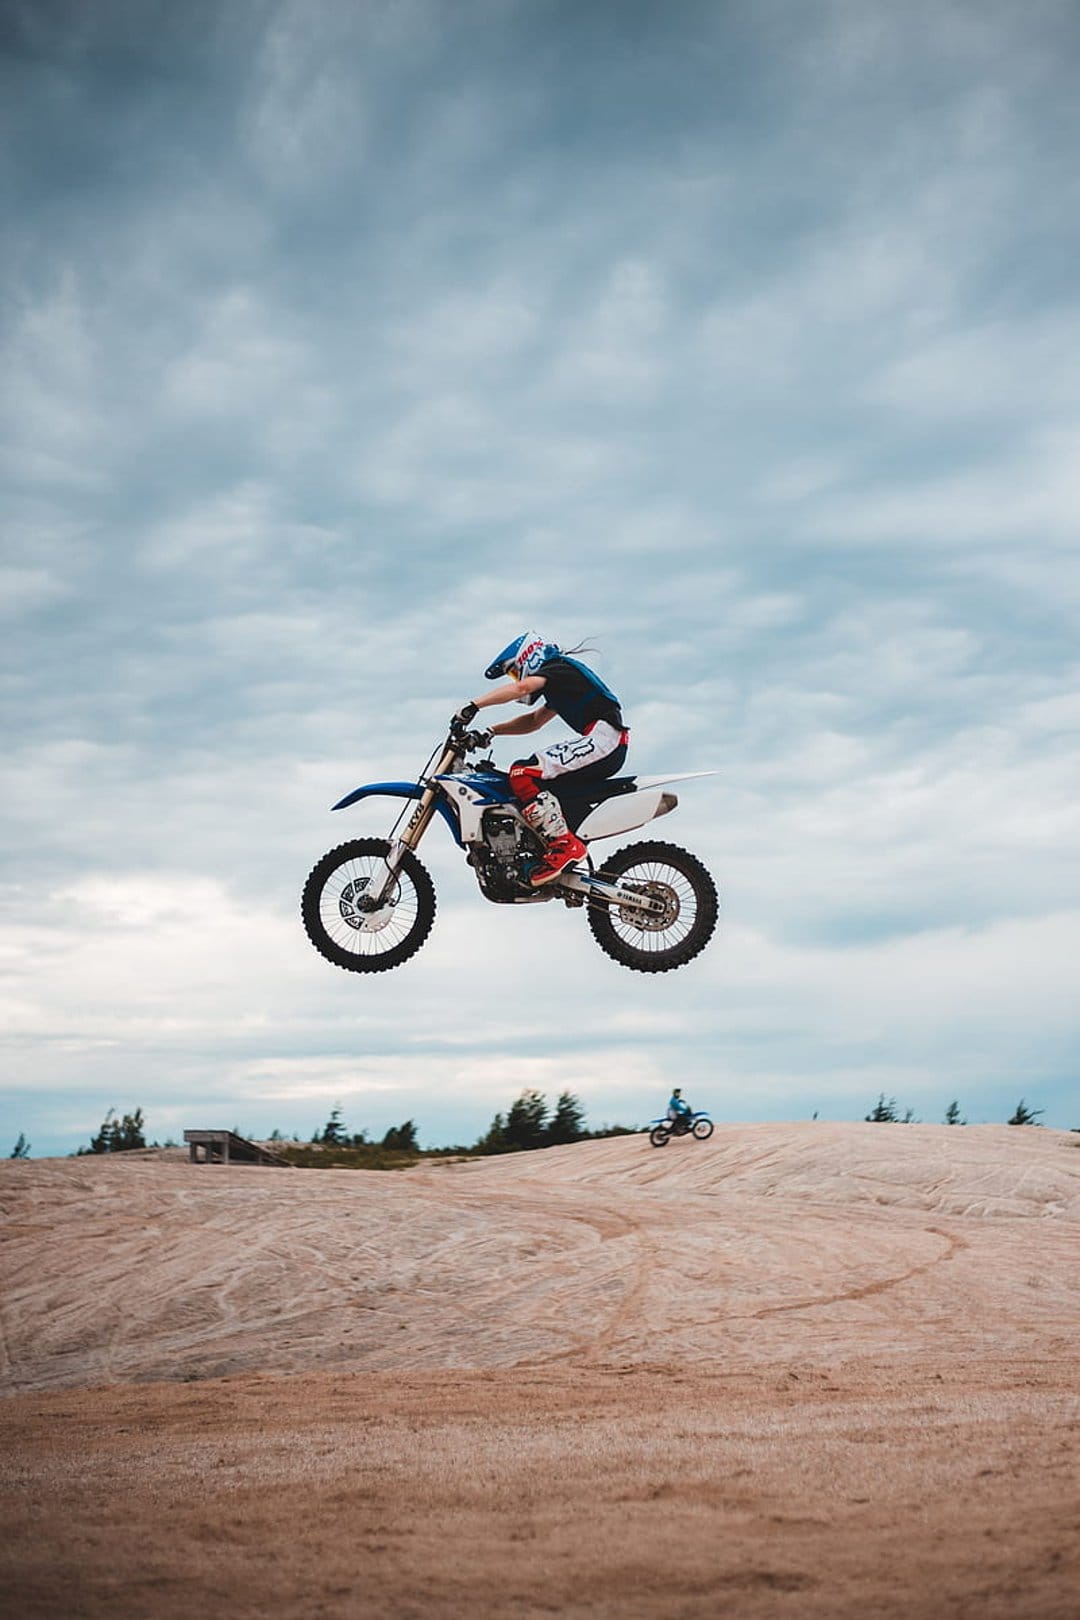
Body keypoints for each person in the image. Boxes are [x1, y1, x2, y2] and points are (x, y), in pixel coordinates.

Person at [453, 632, 629, 886]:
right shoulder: (562, 682)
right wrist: (491, 731)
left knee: (522, 773)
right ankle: (551, 849)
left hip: (605, 738)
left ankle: (565, 846)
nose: (517, 678)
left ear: (528, 657)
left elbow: (522, 688)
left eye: (514, 671)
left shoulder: (557, 668)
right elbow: (534, 721)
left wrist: (474, 705)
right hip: (604, 741)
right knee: (539, 784)